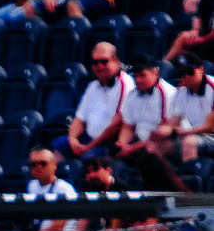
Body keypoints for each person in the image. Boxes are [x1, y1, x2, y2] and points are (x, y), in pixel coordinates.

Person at [112, 57, 188, 191]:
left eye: (142, 75)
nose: (138, 80)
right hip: (141, 143)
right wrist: (122, 144)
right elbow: (128, 126)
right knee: (110, 153)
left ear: (155, 73)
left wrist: (130, 149)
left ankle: (172, 191)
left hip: (172, 142)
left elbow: (161, 134)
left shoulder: (168, 94)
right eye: (135, 76)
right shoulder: (132, 95)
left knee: (150, 153)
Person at [61, 40, 130, 159]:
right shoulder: (93, 86)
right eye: (95, 62)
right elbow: (79, 119)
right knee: (58, 145)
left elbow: (117, 124)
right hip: (88, 139)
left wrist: (90, 146)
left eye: (104, 61)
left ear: (116, 61)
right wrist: (73, 140)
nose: (99, 66)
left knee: (90, 158)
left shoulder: (125, 84)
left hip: (108, 143)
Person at [152, 54, 214, 161]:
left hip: (210, 136)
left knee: (189, 141)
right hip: (196, 134)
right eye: (182, 74)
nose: (186, 77)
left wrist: (180, 132)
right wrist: (160, 132)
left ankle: (189, 176)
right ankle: (166, 176)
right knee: (155, 145)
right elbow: (174, 123)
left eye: (190, 72)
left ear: (201, 69)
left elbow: (209, 127)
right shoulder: (181, 93)